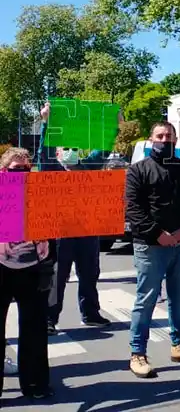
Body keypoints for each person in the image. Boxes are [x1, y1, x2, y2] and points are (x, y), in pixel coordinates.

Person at [125, 121, 180, 378]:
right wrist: (158, 234)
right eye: (160, 135)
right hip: (150, 246)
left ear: (176, 139)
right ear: (151, 139)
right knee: (146, 299)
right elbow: (133, 209)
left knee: (178, 298)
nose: (165, 140)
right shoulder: (138, 170)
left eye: (169, 136)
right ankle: (138, 353)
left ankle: (179, 344)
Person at [37, 102, 111, 336]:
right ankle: (49, 318)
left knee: (90, 273)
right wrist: (47, 123)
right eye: (65, 147)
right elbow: (43, 151)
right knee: (57, 277)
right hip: (59, 233)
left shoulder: (89, 167)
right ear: (58, 152)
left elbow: (103, 150)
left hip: (88, 231)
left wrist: (113, 126)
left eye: (74, 147)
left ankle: (90, 313)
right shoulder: (51, 170)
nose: (70, 151)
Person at [0, 148, 54, 400]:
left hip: (34, 268)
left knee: (34, 329)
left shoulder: (43, 194)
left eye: (26, 168)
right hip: (1, 268)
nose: (21, 173)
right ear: (3, 170)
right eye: (15, 168)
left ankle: (35, 384)